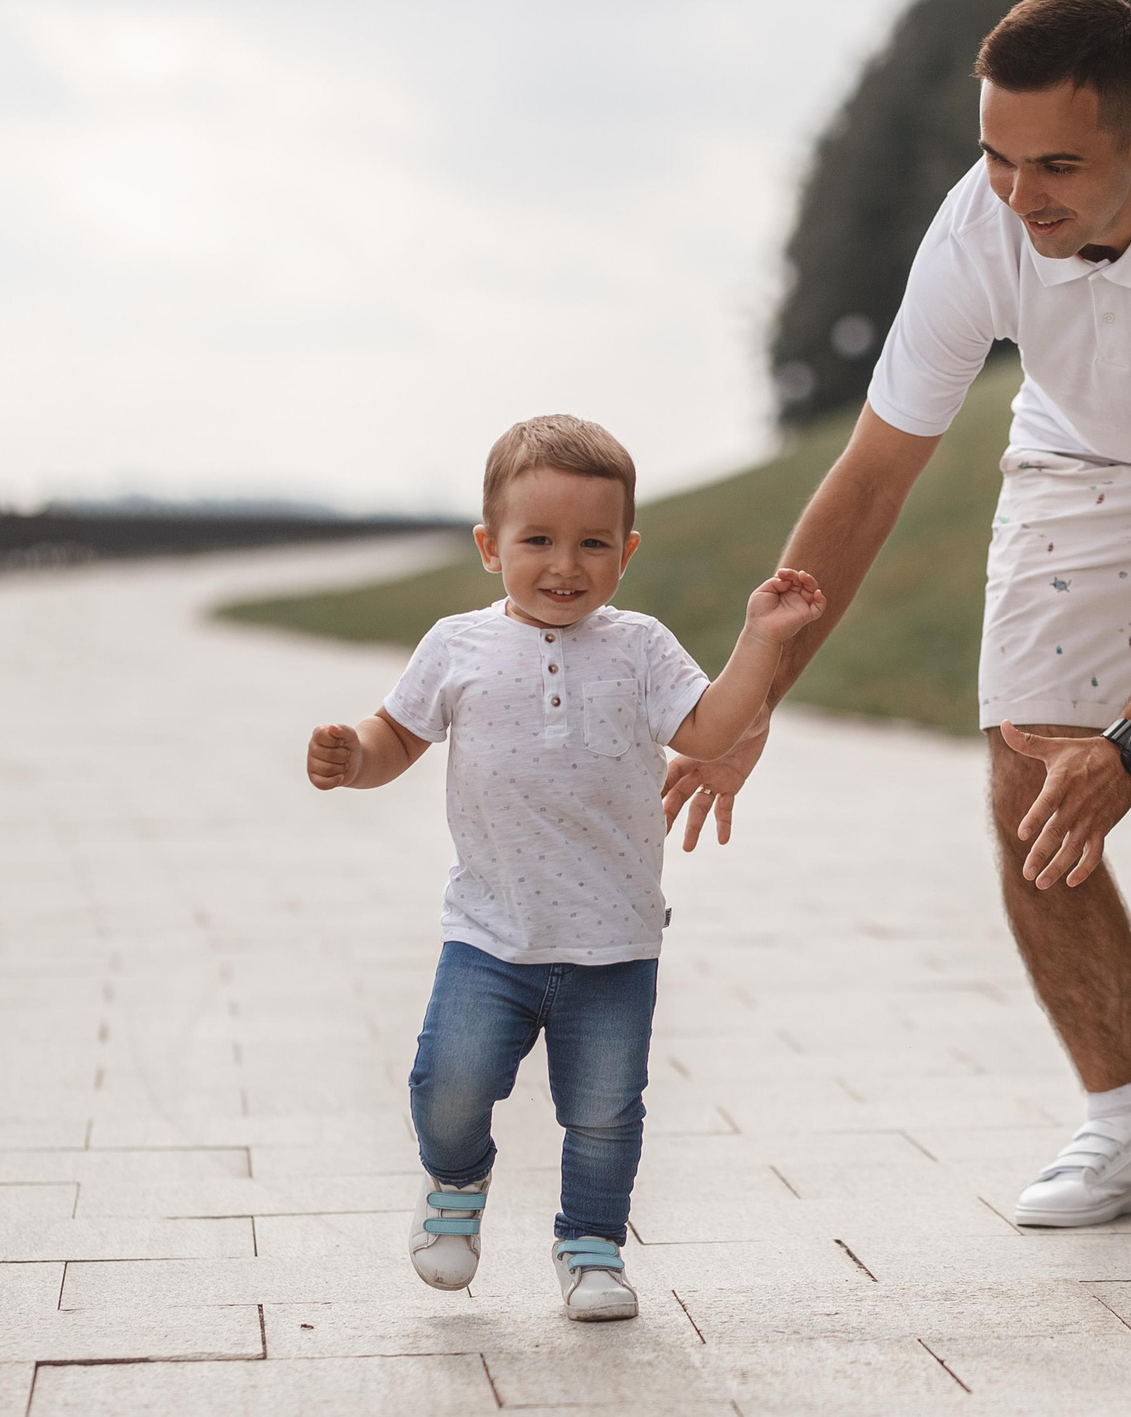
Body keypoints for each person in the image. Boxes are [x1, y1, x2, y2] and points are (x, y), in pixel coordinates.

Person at [664, 0, 1131, 1232]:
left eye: (1056, 165)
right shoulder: (976, 229)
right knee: (1025, 778)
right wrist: (748, 697)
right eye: (997, 156)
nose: (1018, 193)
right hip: (1078, 454)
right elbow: (870, 480)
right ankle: (1118, 1127)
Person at [304, 415, 825, 1318]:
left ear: (626, 551)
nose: (565, 564)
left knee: (605, 1111)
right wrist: (355, 755)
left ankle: (591, 1248)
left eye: (592, 543)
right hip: (490, 932)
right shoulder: (456, 644)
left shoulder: (641, 645)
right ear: (489, 546)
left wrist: (762, 639)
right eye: (537, 540)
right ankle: (455, 1183)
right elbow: (397, 734)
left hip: (614, 940)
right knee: (448, 1082)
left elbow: (710, 729)